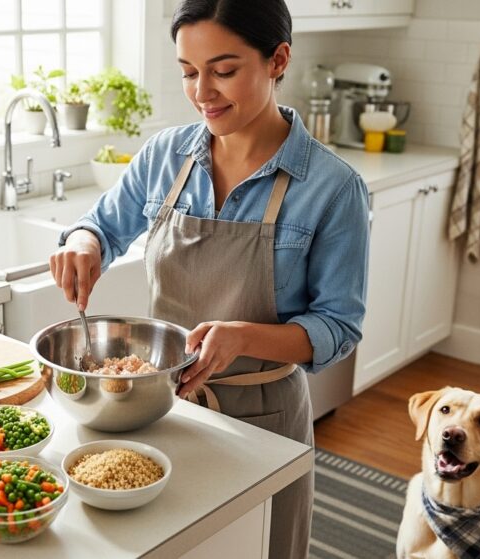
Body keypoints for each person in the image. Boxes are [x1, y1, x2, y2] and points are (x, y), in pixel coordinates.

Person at [49, 0, 369, 556]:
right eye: (188, 73)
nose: (203, 93)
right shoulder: (165, 156)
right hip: (158, 407)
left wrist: (244, 337)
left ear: (278, 59)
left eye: (223, 71)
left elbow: (338, 326)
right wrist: (83, 242)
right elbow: (101, 224)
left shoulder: (333, 187)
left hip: (263, 419)